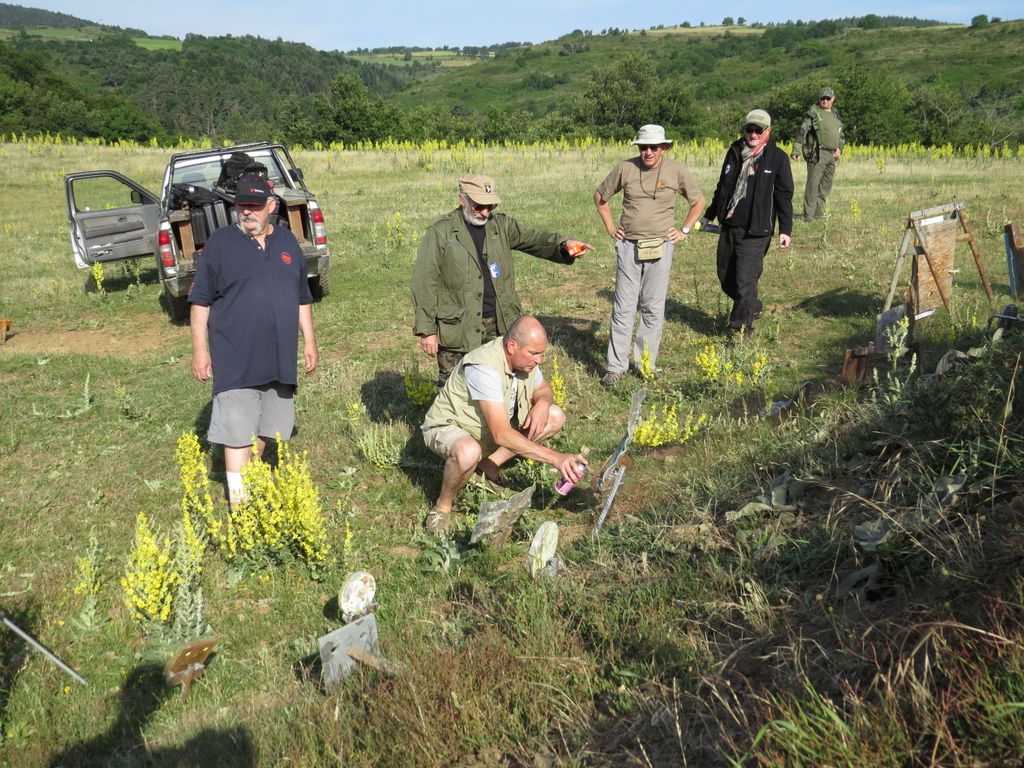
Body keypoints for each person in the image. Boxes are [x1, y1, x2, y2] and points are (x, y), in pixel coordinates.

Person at [189, 171, 319, 507]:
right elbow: (200, 301)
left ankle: (250, 483)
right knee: (236, 435)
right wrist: (200, 350)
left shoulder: (288, 243)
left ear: (271, 206)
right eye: (242, 205)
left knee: (267, 430)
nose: (248, 212)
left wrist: (309, 342)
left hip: (278, 358)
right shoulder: (219, 244)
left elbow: (302, 298)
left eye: (255, 206)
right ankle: (239, 506)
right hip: (235, 357)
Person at [412, 174, 593, 386]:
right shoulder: (441, 232)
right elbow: (425, 281)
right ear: (462, 199)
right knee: (456, 387)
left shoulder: (501, 226)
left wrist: (564, 245)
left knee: (502, 383)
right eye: (479, 206)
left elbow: (534, 239)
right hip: (458, 327)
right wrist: (427, 331)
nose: (485, 212)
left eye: (490, 207)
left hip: (500, 323)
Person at [419, 316, 588, 535]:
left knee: (554, 415)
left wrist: (543, 403)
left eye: (541, 353)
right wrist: (556, 458)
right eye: (534, 353)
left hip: (487, 430)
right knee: (469, 451)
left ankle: (489, 466)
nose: (540, 360)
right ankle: (442, 507)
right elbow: (501, 434)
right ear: (511, 346)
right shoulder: (484, 367)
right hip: (451, 427)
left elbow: (543, 388)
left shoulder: (524, 359)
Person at [594, 124, 706, 385]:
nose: (648, 152)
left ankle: (645, 365)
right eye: (643, 147)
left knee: (653, 308)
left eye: (654, 147)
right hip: (629, 247)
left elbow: (698, 201)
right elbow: (600, 196)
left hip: (661, 247)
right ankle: (615, 368)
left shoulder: (676, 170)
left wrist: (684, 230)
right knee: (623, 307)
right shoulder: (625, 168)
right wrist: (611, 228)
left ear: (664, 147)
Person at [702, 109, 793, 341]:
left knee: (745, 279)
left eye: (758, 130)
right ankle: (752, 305)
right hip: (730, 226)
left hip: (757, 231)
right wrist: (709, 215)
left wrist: (785, 229)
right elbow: (723, 187)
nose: (753, 134)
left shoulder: (777, 158)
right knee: (726, 277)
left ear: (767, 132)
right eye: (749, 129)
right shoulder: (734, 151)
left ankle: (739, 329)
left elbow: (784, 196)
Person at [792, 87, 845, 222]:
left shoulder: (836, 114)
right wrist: (796, 150)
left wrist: (840, 149)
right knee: (813, 184)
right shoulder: (814, 113)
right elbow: (802, 131)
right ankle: (808, 215)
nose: (825, 101)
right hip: (817, 154)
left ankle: (818, 212)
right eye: (822, 98)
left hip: (832, 155)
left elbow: (841, 134)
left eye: (828, 98)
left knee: (826, 185)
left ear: (833, 99)